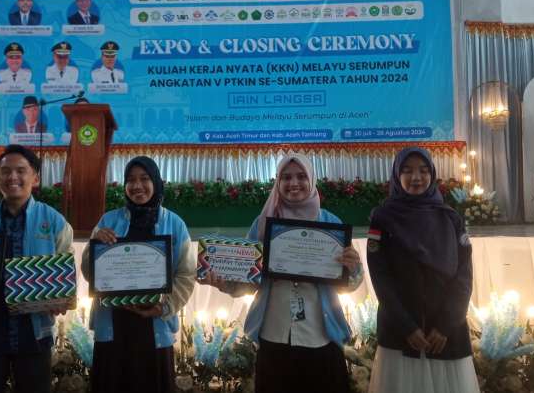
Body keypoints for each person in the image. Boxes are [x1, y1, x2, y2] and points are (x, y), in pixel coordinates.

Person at [202, 153, 363, 393]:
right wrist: (224, 282)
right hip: (274, 337)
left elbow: (348, 283)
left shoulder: (331, 223)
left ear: (312, 179)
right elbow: (249, 280)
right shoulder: (262, 224)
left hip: (321, 338)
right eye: (286, 177)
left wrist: (353, 267)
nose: (293, 183)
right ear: (277, 182)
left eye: (301, 176)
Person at [0, 145, 74, 393]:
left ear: (35, 178)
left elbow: (65, 271)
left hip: (34, 329)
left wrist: (61, 298)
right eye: (5, 171)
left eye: (21, 171)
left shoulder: (54, 221)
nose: (12, 177)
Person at [366, 147, 479, 393]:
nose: (416, 177)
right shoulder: (382, 218)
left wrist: (447, 324)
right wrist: (407, 326)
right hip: (400, 331)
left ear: (432, 174)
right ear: (397, 175)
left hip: (445, 332)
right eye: (407, 171)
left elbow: (464, 276)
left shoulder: (451, 218)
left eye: (423, 171)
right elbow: (380, 277)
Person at [82, 156, 196, 393]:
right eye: (131, 180)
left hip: (154, 326)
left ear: (156, 181)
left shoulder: (175, 224)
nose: (137, 186)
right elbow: (87, 270)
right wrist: (95, 244)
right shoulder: (108, 220)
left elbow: (186, 275)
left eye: (144, 179)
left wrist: (164, 307)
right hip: (113, 325)